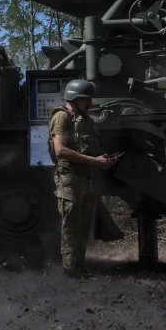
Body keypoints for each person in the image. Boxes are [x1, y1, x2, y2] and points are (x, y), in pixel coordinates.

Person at [48, 79, 115, 277]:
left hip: (86, 178)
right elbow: (60, 150)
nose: (90, 103)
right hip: (69, 178)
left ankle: (80, 266)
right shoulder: (62, 117)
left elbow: (88, 146)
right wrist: (94, 161)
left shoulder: (84, 119)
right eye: (87, 99)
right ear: (75, 99)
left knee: (84, 226)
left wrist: (103, 159)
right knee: (71, 225)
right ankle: (70, 270)